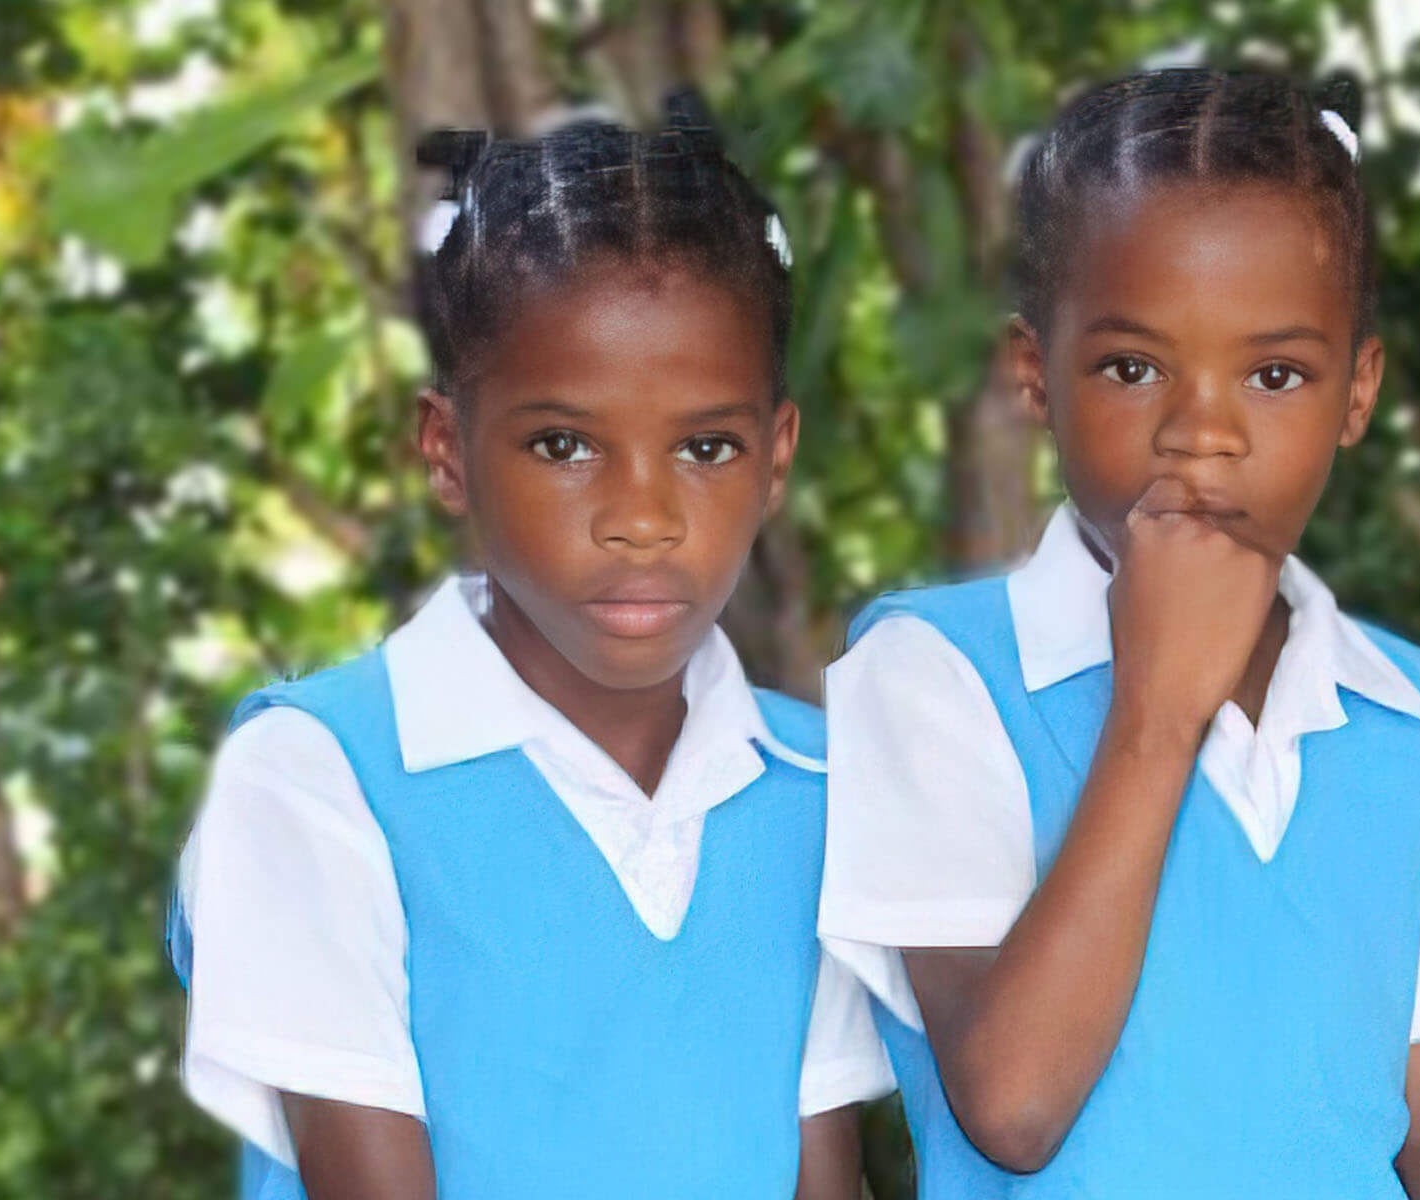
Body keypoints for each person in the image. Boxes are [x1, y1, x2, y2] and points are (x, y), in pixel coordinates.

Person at [819, 68, 1420, 1198]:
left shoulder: (1409, 716)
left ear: (1356, 393)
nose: (1202, 433)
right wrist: (1156, 710)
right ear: (1034, 377)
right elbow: (1010, 1106)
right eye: (1132, 367)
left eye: (1274, 373)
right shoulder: (931, 676)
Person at [167, 106, 891, 1200]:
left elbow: (821, 1181)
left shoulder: (820, 792)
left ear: (776, 457)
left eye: (705, 447)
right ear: (446, 451)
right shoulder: (321, 782)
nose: (641, 517)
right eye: (564, 445)